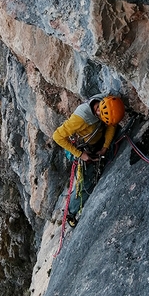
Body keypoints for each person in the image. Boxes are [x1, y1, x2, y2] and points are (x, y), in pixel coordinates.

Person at [53, 95, 125, 227]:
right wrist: (80, 154)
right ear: (98, 112)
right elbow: (57, 136)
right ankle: (70, 212)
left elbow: (111, 126)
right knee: (85, 185)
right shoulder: (79, 119)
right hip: (86, 149)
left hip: (99, 141)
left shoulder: (108, 102)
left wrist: (104, 148)